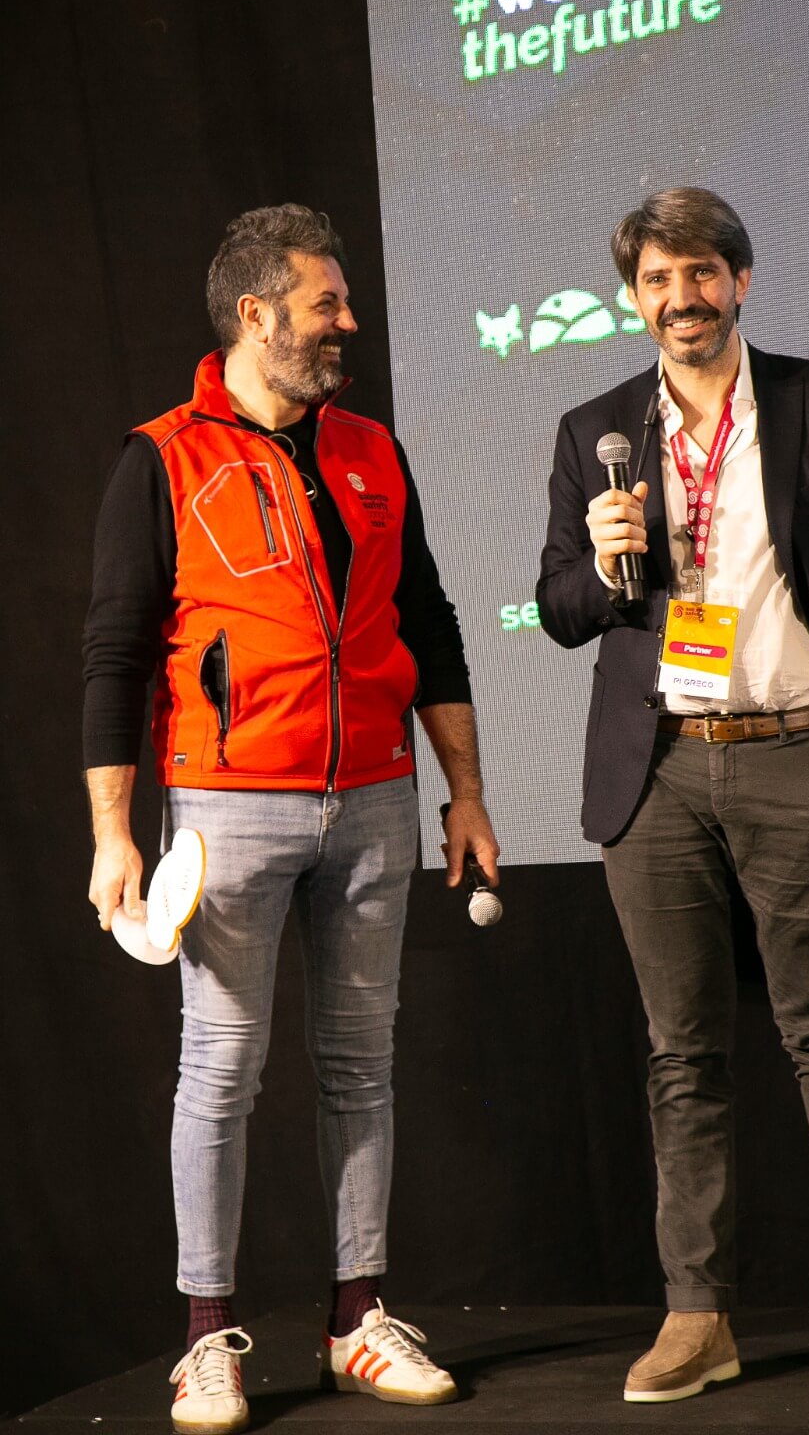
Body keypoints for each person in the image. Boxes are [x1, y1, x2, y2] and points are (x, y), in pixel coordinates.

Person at [536, 187, 809, 1403]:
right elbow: (562, 607)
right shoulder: (593, 430)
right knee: (682, 1052)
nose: (679, 297)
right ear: (633, 297)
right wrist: (603, 556)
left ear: (739, 279)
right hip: (656, 768)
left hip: (795, 754)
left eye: (700, 273)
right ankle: (697, 1315)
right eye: (656, 279)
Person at [83, 203, 499, 1433]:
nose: (347, 323)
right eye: (327, 303)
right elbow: (114, 654)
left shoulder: (370, 447)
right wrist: (113, 832)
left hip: (373, 798)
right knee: (221, 1071)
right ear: (256, 313)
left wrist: (466, 790)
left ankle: (356, 1318)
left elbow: (427, 620)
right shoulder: (162, 458)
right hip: (227, 808)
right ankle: (205, 1341)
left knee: (361, 1066)